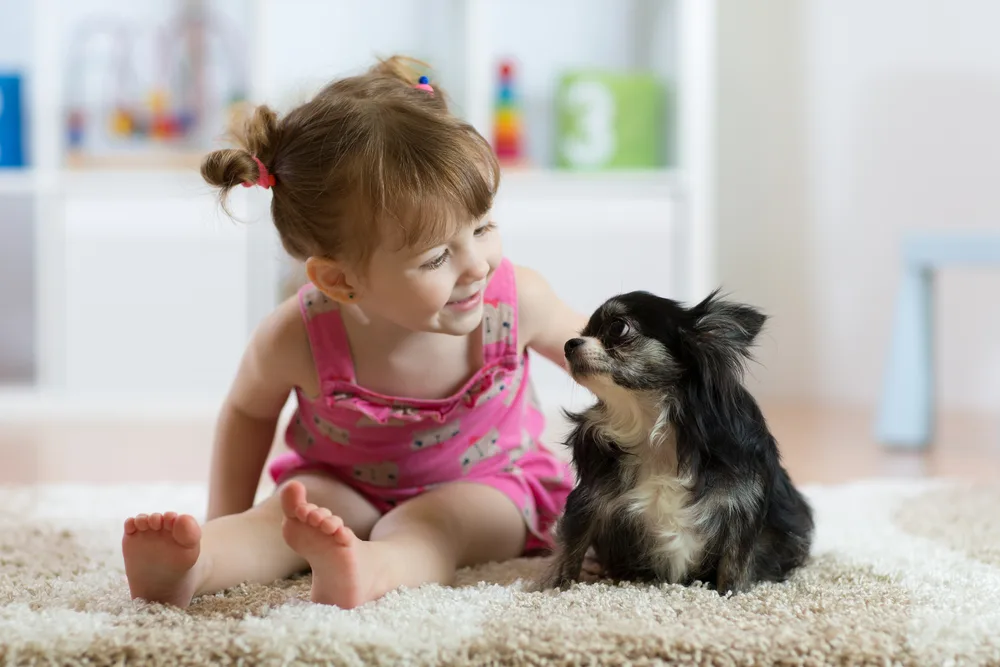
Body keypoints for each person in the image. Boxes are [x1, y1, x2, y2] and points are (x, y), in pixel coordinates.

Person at [120, 56, 585, 609]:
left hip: (491, 486)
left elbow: (608, 362)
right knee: (286, 515)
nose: (478, 265)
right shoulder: (298, 336)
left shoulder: (515, 303)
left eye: (483, 227)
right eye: (437, 257)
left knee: (435, 524)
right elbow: (248, 412)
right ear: (341, 281)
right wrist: (228, 515)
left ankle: (374, 569)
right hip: (343, 486)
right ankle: (196, 566)